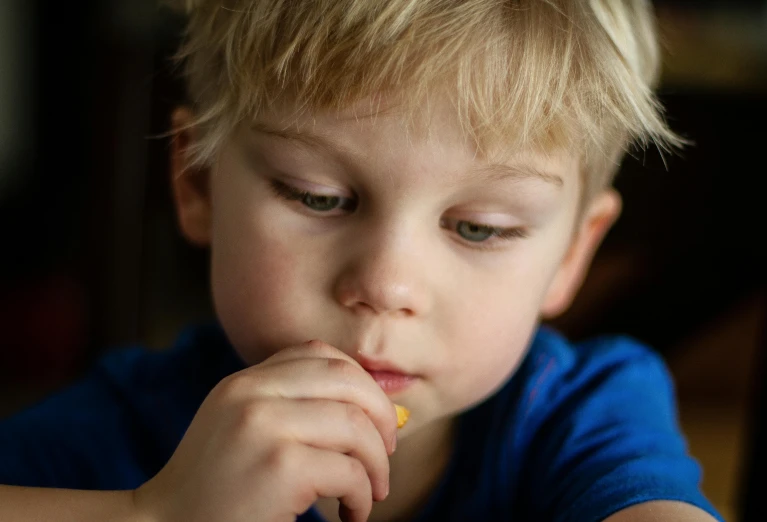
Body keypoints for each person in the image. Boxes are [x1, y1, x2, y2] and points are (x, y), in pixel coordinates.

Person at [0, 1, 725, 521]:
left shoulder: (582, 414)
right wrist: (151, 515)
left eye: (479, 228)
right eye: (317, 199)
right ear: (197, 184)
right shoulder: (117, 433)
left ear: (571, 253)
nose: (386, 285)